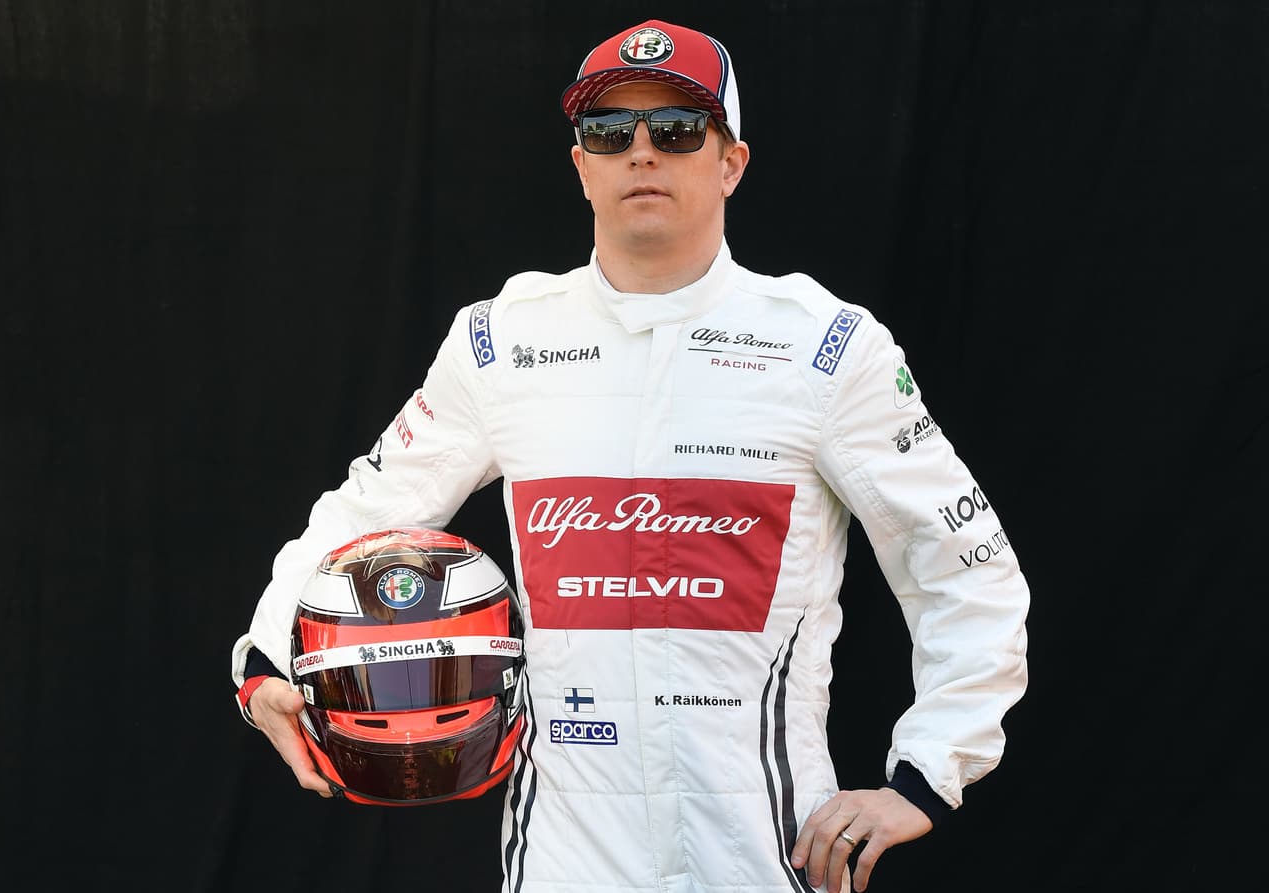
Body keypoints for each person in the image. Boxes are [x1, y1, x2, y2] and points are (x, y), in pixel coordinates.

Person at [231, 18, 1030, 893]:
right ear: (582, 168)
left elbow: (967, 566)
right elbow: (362, 515)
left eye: (678, 129)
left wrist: (925, 776)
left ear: (731, 162)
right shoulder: (499, 342)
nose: (641, 152)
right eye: (610, 134)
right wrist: (267, 661)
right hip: (566, 858)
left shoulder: (827, 349)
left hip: (768, 855)